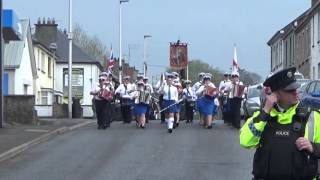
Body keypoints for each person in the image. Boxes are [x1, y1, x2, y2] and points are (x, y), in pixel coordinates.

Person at [240, 67, 320, 180]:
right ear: (276, 94)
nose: (296, 92)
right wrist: (266, 111)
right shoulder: (261, 117)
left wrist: (313, 147)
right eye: (290, 90)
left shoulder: (312, 116)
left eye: (296, 88)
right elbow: (245, 142)